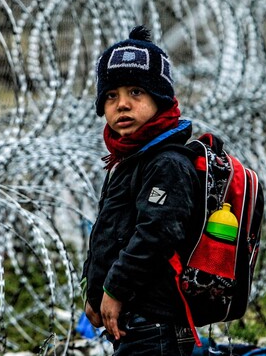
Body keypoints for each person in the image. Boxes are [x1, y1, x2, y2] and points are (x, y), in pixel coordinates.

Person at [81, 25, 204, 356]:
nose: (122, 105)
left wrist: (114, 289)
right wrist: (93, 292)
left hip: (156, 322)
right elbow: (108, 233)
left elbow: (156, 235)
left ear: (160, 99)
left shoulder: (168, 163)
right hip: (133, 320)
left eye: (136, 92)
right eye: (111, 96)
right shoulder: (127, 161)